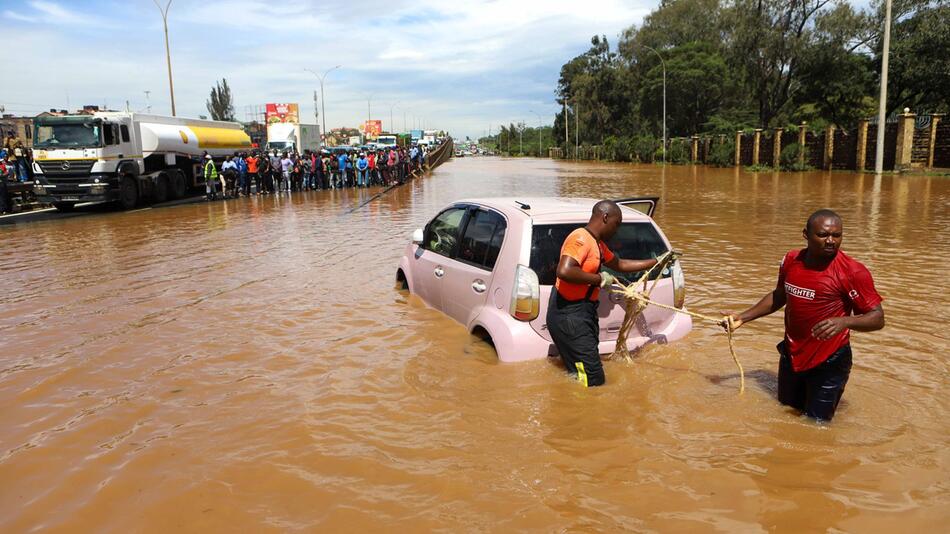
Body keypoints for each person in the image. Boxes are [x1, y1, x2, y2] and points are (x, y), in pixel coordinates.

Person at [721, 209, 885, 422]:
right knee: (785, 414)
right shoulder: (790, 260)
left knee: (816, 425)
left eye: (837, 235)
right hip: (792, 355)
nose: (830, 241)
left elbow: (877, 317)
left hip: (829, 360)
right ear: (806, 234)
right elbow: (780, 295)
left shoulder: (852, 272)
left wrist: (845, 321)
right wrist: (743, 317)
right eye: (823, 234)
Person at [548, 200, 663, 387]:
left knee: (580, 370)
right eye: (616, 224)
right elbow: (565, 271)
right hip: (569, 315)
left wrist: (656, 261)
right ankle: (584, 410)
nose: (616, 230)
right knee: (593, 379)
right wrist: (600, 279)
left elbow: (620, 264)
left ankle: (575, 403)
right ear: (605, 217)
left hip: (582, 314)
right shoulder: (581, 238)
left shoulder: (598, 245)